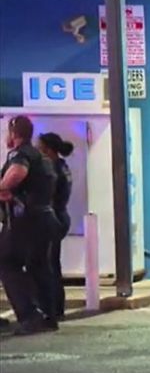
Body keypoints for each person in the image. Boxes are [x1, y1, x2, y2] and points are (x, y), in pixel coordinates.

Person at [0, 115, 59, 335]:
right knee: (39, 266)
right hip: (45, 218)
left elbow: (17, 174)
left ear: (14, 134)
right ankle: (48, 317)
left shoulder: (20, 153)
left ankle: (29, 315)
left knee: (7, 262)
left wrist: (3, 186)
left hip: (26, 220)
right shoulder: (41, 157)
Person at [38, 132, 74, 321]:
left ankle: (52, 308)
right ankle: (56, 307)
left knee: (48, 265)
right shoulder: (63, 166)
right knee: (53, 264)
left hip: (53, 218)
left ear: (48, 149)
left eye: (40, 146)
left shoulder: (51, 169)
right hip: (61, 216)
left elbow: (48, 196)